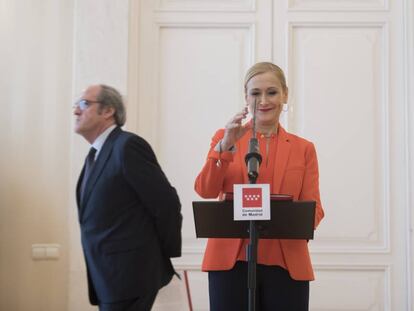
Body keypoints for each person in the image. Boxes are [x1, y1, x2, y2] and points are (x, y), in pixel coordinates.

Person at [194, 62, 324, 311]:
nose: (263, 100)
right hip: (231, 264)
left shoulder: (303, 148)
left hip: (286, 264)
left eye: (272, 92)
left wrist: (294, 219)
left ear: (285, 94)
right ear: (246, 97)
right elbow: (205, 189)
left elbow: (315, 209)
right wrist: (224, 147)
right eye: (255, 93)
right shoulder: (224, 137)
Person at [74, 84, 182, 311]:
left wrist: (161, 254)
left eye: (84, 104)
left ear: (108, 111)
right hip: (107, 277)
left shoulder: (127, 146)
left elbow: (166, 204)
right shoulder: (94, 155)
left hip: (130, 275)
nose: (76, 111)